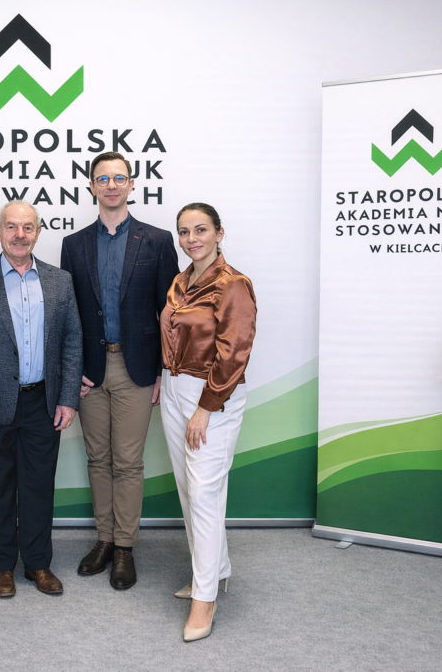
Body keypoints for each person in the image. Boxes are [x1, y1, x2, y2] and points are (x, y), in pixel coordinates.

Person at [60, 151, 180, 588]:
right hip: (90, 371)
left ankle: (125, 547)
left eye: (119, 177)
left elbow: (171, 313)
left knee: (128, 462)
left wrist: (164, 371)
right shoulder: (74, 245)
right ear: (91, 186)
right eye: (102, 178)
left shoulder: (157, 240)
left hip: (137, 368)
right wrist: (71, 369)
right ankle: (105, 540)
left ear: (131, 184)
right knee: (98, 459)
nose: (111, 185)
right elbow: (69, 314)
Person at [0, 200, 83, 598]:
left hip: (44, 401)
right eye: (11, 226)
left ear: (38, 233)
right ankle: (2, 566)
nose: (19, 234)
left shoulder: (60, 281)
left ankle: (38, 563)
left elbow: (72, 341)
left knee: (38, 486)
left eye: (28, 227)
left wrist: (68, 398)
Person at [158, 203, 256, 642]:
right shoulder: (181, 281)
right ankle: (215, 571)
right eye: (184, 231)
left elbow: (234, 353)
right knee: (190, 491)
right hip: (173, 389)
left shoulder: (233, 284)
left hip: (212, 395)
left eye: (200, 230)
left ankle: (205, 598)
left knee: (203, 494)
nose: (191, 238)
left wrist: (205, 407)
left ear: (219, 232)